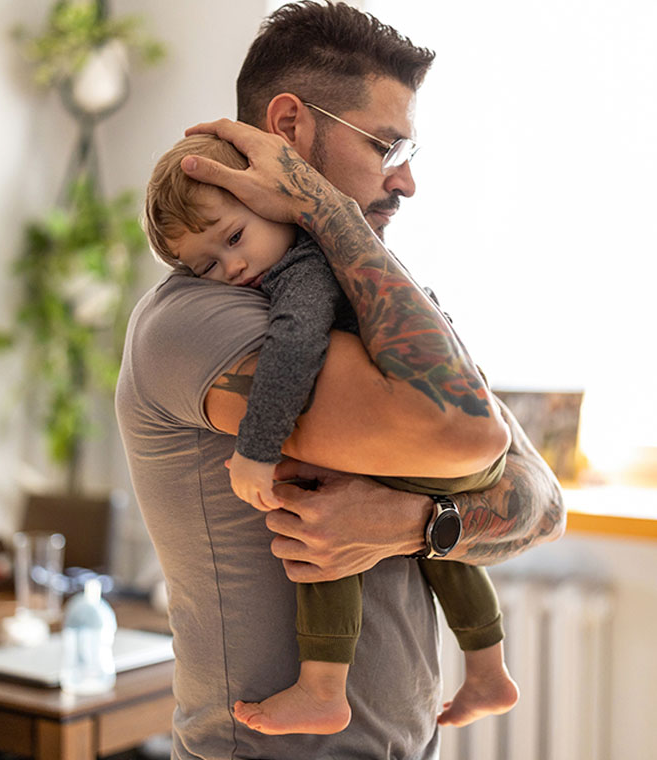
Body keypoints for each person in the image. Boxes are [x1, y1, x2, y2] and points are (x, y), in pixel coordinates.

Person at [116, 3, 564, 758]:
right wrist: (325, 206)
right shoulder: (198, 318)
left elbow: (543, 503)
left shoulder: (382, 298)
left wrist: (415, 523)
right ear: (288, 128)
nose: (409, 180)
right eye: (386, 144)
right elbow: (469, 435)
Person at [144, 132, 519, 736]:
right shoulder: (326, 266)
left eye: (235, 238)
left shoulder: (303, 270)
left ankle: (322, 688)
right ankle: (487, 670)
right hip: (466, 454)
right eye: (208, 265)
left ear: (272, 202)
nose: (232, 267)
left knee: (317, 505)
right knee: (430, 541)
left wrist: (257, 450)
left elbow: (292, 349)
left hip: (450, 437)